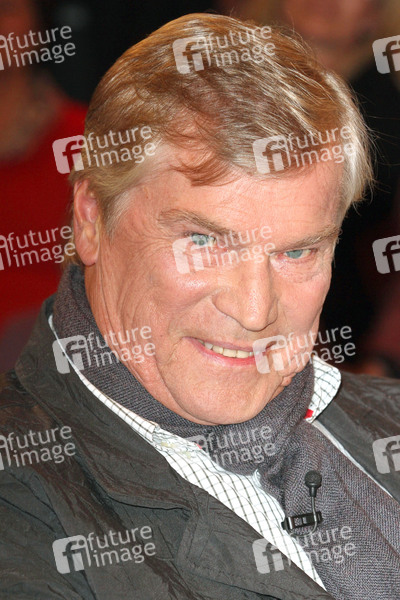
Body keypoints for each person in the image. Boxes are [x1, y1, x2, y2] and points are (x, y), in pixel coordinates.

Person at [0, 13, 399, 600]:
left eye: (296, 251)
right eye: (203, 242)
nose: (255, 310)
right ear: (90, 219)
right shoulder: (22, 507)